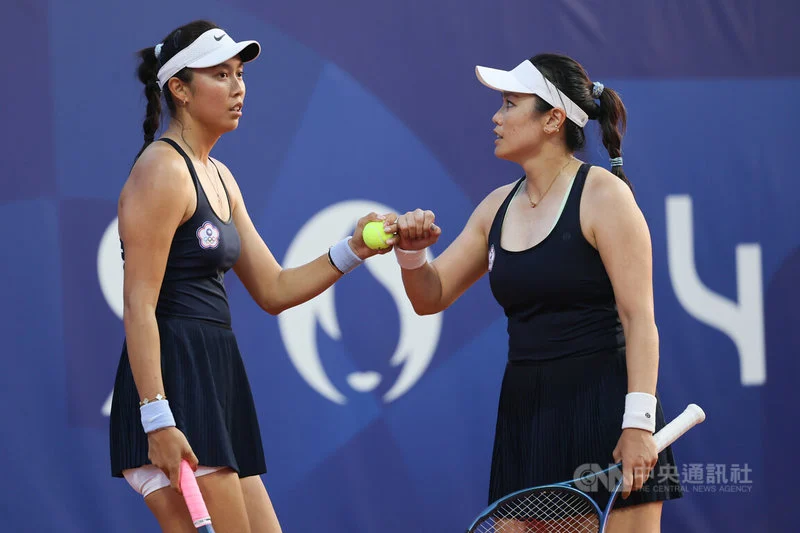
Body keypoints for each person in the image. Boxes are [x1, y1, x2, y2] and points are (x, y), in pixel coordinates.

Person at [109, 20, 390, 533]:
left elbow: (274, 288)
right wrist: (158, 418)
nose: (238, 86)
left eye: (239, 73)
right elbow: (139, 304)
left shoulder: (220, 176)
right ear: (180, 90)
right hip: (172, 387)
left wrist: (354, 249)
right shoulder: (162, 171)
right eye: (220, 74)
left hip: (214, 382)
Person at [383, 54, 683, 531]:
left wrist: (638, 423)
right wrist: (412, 255)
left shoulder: (605, 196)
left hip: (606, 413)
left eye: (509, 104)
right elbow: (430, 297)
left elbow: (638, 320)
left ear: (553, 119)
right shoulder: (494, 208)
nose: (496, 118)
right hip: (525, 419)